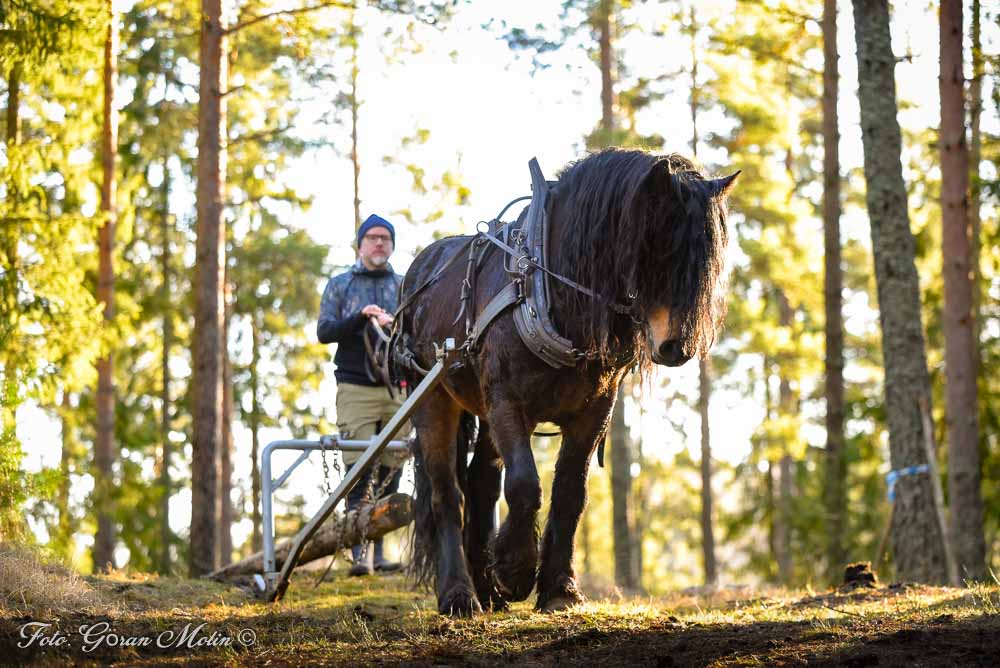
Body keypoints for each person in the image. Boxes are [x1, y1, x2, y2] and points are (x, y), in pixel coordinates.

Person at [318, 214, 407, 576]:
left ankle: (380, 555)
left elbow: (418, 333)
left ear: (392, 245)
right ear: (360, 245)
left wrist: (395, 324)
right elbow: (324, 331)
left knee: (392, 469)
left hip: (397, 387)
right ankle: (360, 556)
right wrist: (360, 318)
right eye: (372, 237)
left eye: (385, 238)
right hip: (355, 387)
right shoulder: (340, 285)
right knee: (358, 469)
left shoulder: (405, 286)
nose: (379, 243)